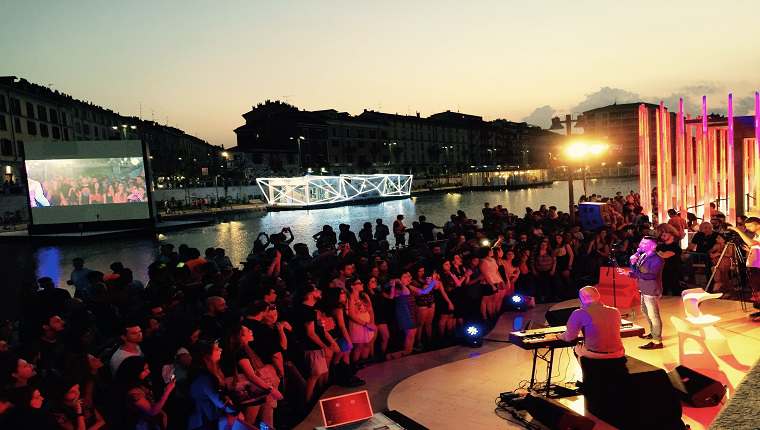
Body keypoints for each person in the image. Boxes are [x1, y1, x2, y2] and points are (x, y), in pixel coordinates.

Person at [557, 286, 625, 359]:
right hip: (618, 353)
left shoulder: (579, 313)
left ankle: (587, 368)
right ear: (598, 295)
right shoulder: (615, 311)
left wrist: (558, 336)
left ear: (581, 299)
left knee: (577, 348)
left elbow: (570, 337)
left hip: (595, 355)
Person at [629, 236, 665, 349]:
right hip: (644, 287)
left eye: (644, 244)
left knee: (653, 315)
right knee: (645, 311)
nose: (640, 245)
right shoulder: (643, 255)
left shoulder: (657, 259)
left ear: (653, 246)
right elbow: (636, 270)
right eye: (641, 243)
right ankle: (653, 332)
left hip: (651, 288)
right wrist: (633, 264)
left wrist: (636, 273)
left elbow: (651, 275)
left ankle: (657, 341)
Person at [728, 217, 760, 320]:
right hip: (754, 265)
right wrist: (751, 248)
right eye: (746, 227)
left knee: (758, 289)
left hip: (758, 266)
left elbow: (752, 243)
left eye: (750, 226)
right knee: (755, 289)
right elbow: (754, 245)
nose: (748, 228)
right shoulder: (756, 235)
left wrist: (738, 231)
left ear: (758, 224)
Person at [656, 223, 683, 296]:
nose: (662, 235)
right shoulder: (659, 246)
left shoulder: (676, 247)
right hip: (661, 273)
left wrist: (658, 253)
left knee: (675, 291)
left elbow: (665, 255)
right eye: (661, 234)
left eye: (664, 233)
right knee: (663, 292)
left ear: (671, 233)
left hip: (673, 272)